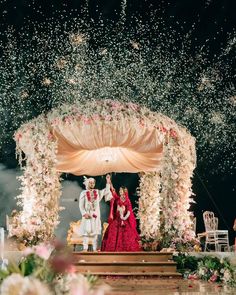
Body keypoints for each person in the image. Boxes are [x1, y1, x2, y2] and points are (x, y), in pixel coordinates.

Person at [101, 185, 141, 252]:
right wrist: (119, 210)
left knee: (126, 234)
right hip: (118, 219)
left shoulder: (127, 200)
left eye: (121, 190)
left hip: (124, 219)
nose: (120, 191)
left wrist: (124, 217)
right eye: (119, 190)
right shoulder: (119, 199)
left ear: (124, 191)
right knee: (113, 231)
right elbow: (117, 208)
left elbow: (129, 211)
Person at [78, 174, 112, 251]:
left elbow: (106, 191)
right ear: (87, 183)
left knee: (95, 233)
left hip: (95, 215)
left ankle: (94, 249)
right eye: (90, 183)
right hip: (87, 215)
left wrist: (107, 182)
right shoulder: (83, 193)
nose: (92, 184)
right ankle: (85, 248)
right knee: (86, 233)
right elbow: (81, 205)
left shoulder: (97, 192)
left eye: (93, 183)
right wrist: (84, 213)